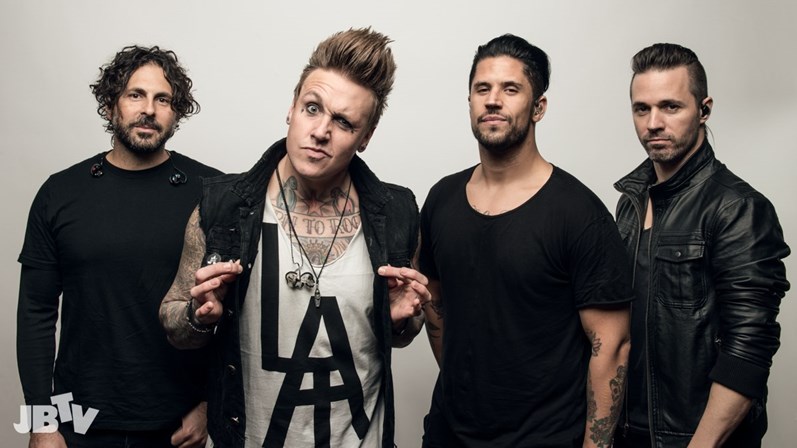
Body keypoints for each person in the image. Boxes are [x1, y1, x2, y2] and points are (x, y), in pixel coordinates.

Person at [160, 27, 430, 448]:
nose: (321, 131)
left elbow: (403, 332)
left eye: (344, 122)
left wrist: (399, 320)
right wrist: (199, 315)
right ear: (291, 108)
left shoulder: (396, 213)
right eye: (312, 108)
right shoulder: (223, 208)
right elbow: (174, 320)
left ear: (366, 137)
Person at [419, 34, 633, 448]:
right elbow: (434, 302)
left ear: (539, 108)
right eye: (482, 88)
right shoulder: (441, 199)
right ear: (469, 101)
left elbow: (612, 346)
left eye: (510, 89)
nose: (493, 100)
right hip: (449, 434)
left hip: (544, 438)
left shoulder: (579, 213)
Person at [16, 46, 222, 447]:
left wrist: (209, 404)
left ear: (176, 112)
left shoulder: (211, 192)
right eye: (135, 95)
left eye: (163, 99)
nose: (149, 109)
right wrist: (41, 422)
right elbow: (35, 313)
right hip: (78, 421)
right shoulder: (60, 193)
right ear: (111, 104)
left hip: (176, 424)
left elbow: (234, 313)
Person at [612, 43, 790, 448]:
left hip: (692, 439)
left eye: (670, 107)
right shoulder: (630, 203)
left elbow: (749, 350)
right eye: (641, 109)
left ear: (704, 110)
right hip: (629, 433)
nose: (653, 123)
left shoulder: (738, 208)